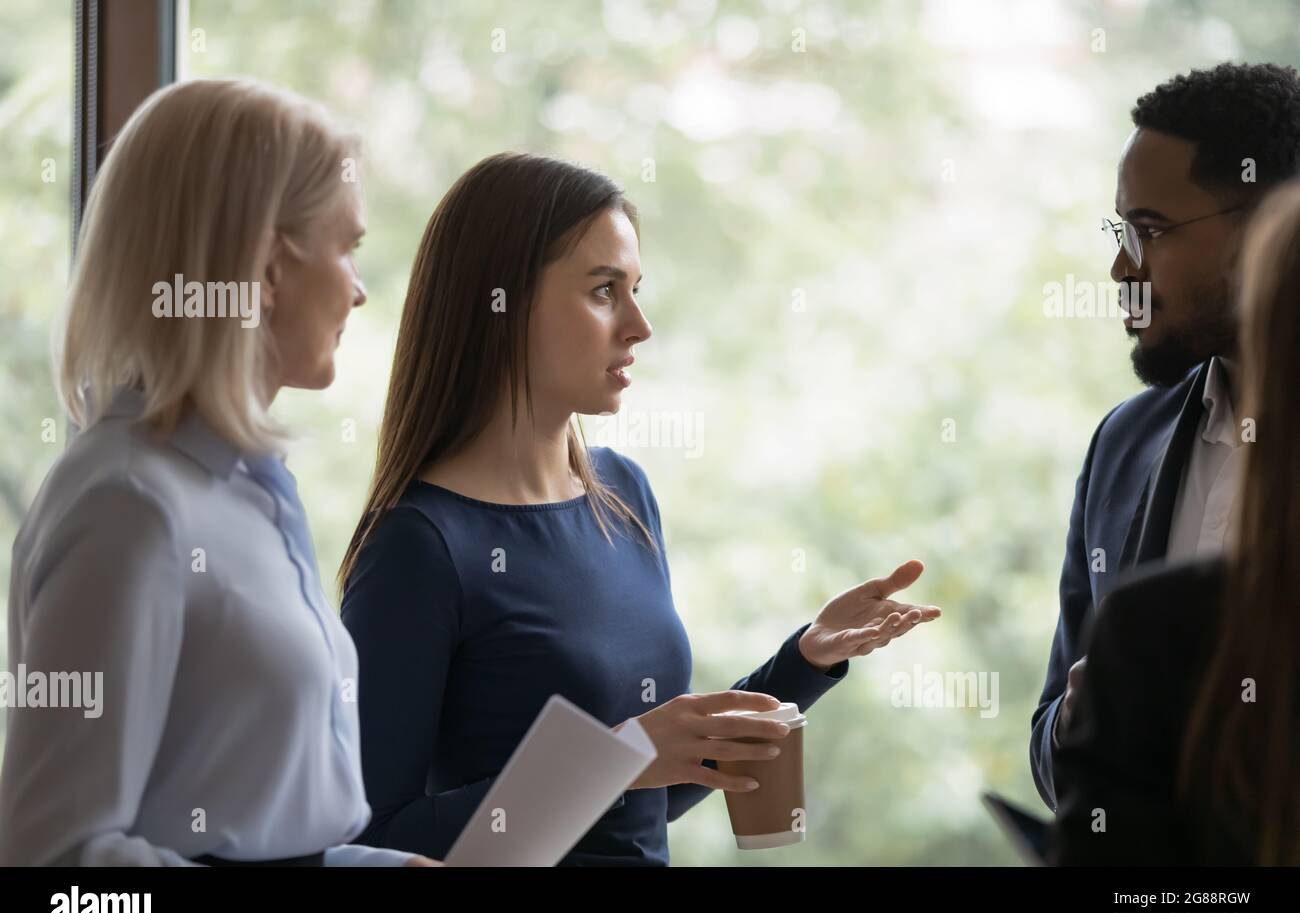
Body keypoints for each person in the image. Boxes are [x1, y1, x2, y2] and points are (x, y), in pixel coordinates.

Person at [339, 152, 940, 865]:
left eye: (635, 289)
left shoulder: (624, 495)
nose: (639, 325)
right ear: (499, 304)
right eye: (603, 291)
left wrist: (805, 659)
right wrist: (619, 759)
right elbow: (372, 840)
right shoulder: (418, 547)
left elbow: (648, 792)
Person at [0, 77, 432, 866]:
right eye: (348, 248)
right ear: (267, 269)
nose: (360, 290)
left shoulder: (246, 491)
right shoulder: (128, 507)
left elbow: (263, 833)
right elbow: (57, 870)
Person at [1031, 62, 1300, 810]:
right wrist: (1083, 722)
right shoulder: (1123, 444)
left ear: (1272, 225)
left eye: (1150, 230)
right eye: (1122, 231)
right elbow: (1050, 741)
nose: (1121, 267)